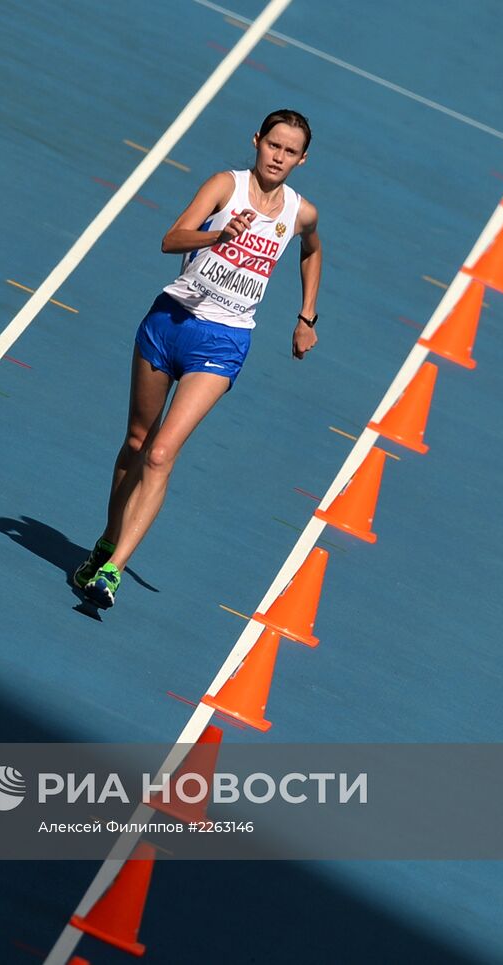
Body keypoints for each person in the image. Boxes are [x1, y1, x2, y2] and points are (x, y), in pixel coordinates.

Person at [75, 109, 323, 609]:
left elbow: (312, 250)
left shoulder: (300, 213)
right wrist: (219, 235)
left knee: (162, 453)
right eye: (272, 145)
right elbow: (170, 240)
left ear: (302, 159)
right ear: (256, 141)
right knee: (137, 441)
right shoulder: (223, 187)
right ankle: (106, 539)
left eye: (289, 151)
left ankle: (112, 571)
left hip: (222, 343)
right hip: (169, 323)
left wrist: (307, 317)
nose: (278, 157)